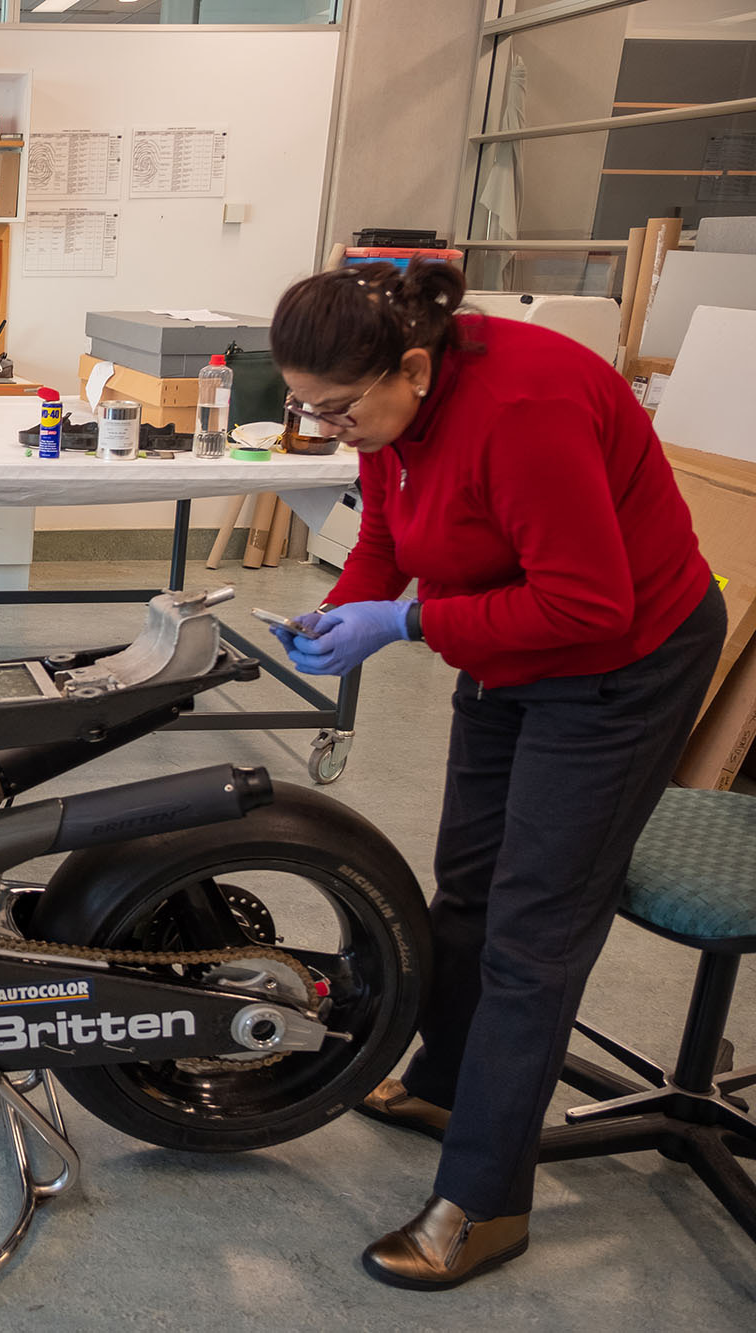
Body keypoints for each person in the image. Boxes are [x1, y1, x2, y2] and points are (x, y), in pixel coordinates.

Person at [265, 261, 725, 1289]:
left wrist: (410, 621)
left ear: (414, 365)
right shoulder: (391, 411)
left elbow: (587, 607)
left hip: (619, 664)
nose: (326, 427)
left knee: (534, 927)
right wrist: (348, 607)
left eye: (336, 410)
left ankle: (484, 1201)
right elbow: (386, 526)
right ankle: (441, 1082)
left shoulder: (523, 408)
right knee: (465, 888)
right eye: (304, 409)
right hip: (507, 648)